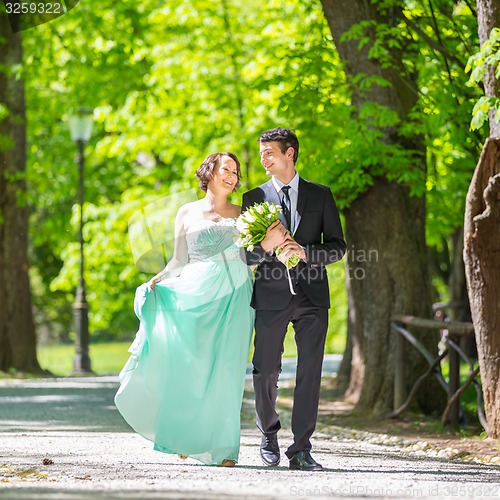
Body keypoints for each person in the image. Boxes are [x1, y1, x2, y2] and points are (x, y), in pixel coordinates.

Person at [115, 152, 254, 467]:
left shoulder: (246, 211)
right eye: (226, 170)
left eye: (236, 171)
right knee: (192, 366)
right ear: (209, 173)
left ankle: (224, 449)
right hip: (196, 292)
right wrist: (159, 279)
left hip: (236, 294)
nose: (232, 176)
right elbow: (179, 259)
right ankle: (185, 436)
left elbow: (258, 252)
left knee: (228, 370)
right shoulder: (186, 212)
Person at [242, 128, 346, 471]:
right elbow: (246, 256)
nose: (263, 158)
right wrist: (264, 248)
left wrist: (305, 252)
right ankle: (268, 433)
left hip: (312, 295)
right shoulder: (253, 197)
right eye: (261, 153)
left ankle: (301, 448)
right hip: (270, 294)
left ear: (290, 153)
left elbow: (337, 247)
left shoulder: (320, 195)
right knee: (265, 369)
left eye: (269, 152)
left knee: (310, 372)